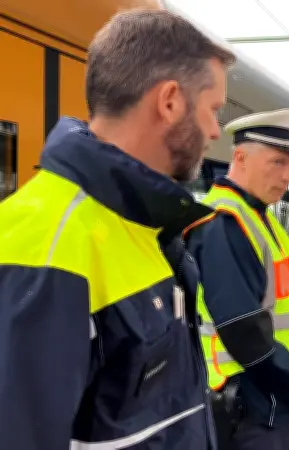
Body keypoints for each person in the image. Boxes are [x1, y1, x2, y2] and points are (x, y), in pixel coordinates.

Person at [0, 9, 235, 449]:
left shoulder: (145, 228)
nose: (215, 130)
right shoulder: (46, 242)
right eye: (213, 109)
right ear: (170, 101)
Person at [184, 109, 289, 450]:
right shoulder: (224, 223)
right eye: (277, 163)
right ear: (240, 157)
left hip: (273, 399)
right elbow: (244, 333)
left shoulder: (263, 220)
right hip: (247, 406)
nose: (288, 177)